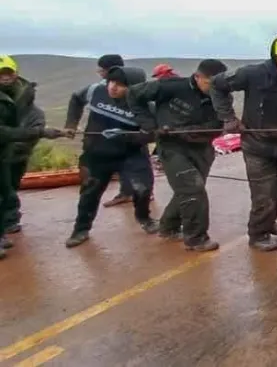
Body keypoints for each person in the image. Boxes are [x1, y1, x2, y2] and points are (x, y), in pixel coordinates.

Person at [210, 35, 277, 252]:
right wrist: (228, 117)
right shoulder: (252, 73)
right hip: (257, 146)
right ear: (275, 57)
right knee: (265, 193)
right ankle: (258, 234)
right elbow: (217, 85)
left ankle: (269, 217)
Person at [128, 59, 227, 252]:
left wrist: (187, 130)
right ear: (198, 77)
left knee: (187, 190)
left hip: (202, 148)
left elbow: (218, 125)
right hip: (172, 148)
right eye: (210, 82)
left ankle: (168, 227)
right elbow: (133, 94)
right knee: (193, 188)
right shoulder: (171, 87)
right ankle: (196, 238)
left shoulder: (222, 95)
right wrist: (149, 124)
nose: (215, 87)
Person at [62, 66, 158, 248]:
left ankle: (144, 218)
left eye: (121, 85)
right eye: (112, 82)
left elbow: (152, 135)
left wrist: (125, 135)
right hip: (97, 154)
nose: (113, 87)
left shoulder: (147, 106)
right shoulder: (95, 91)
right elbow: (76, 98)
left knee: (143, 189)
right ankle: (80, 230)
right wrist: (71, 124)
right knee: (89, 193)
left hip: (131, 154)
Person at [0, 55, 63, 258]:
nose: (4, 77)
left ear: (15, 72)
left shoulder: (26, 99)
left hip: (16, 153)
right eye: (0, 74)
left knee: (9, 190)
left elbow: (32, 120)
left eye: (7, 72)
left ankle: (7, 225)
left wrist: (34, 133)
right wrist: (40, 133)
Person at [95, 55, 155, 207]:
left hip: (135, 132)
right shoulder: (106, 87)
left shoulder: (135, 90)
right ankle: (126, 192)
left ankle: (145, 193)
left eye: (102, 70)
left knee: (140, 161)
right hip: (119, 133)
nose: (100, 73)